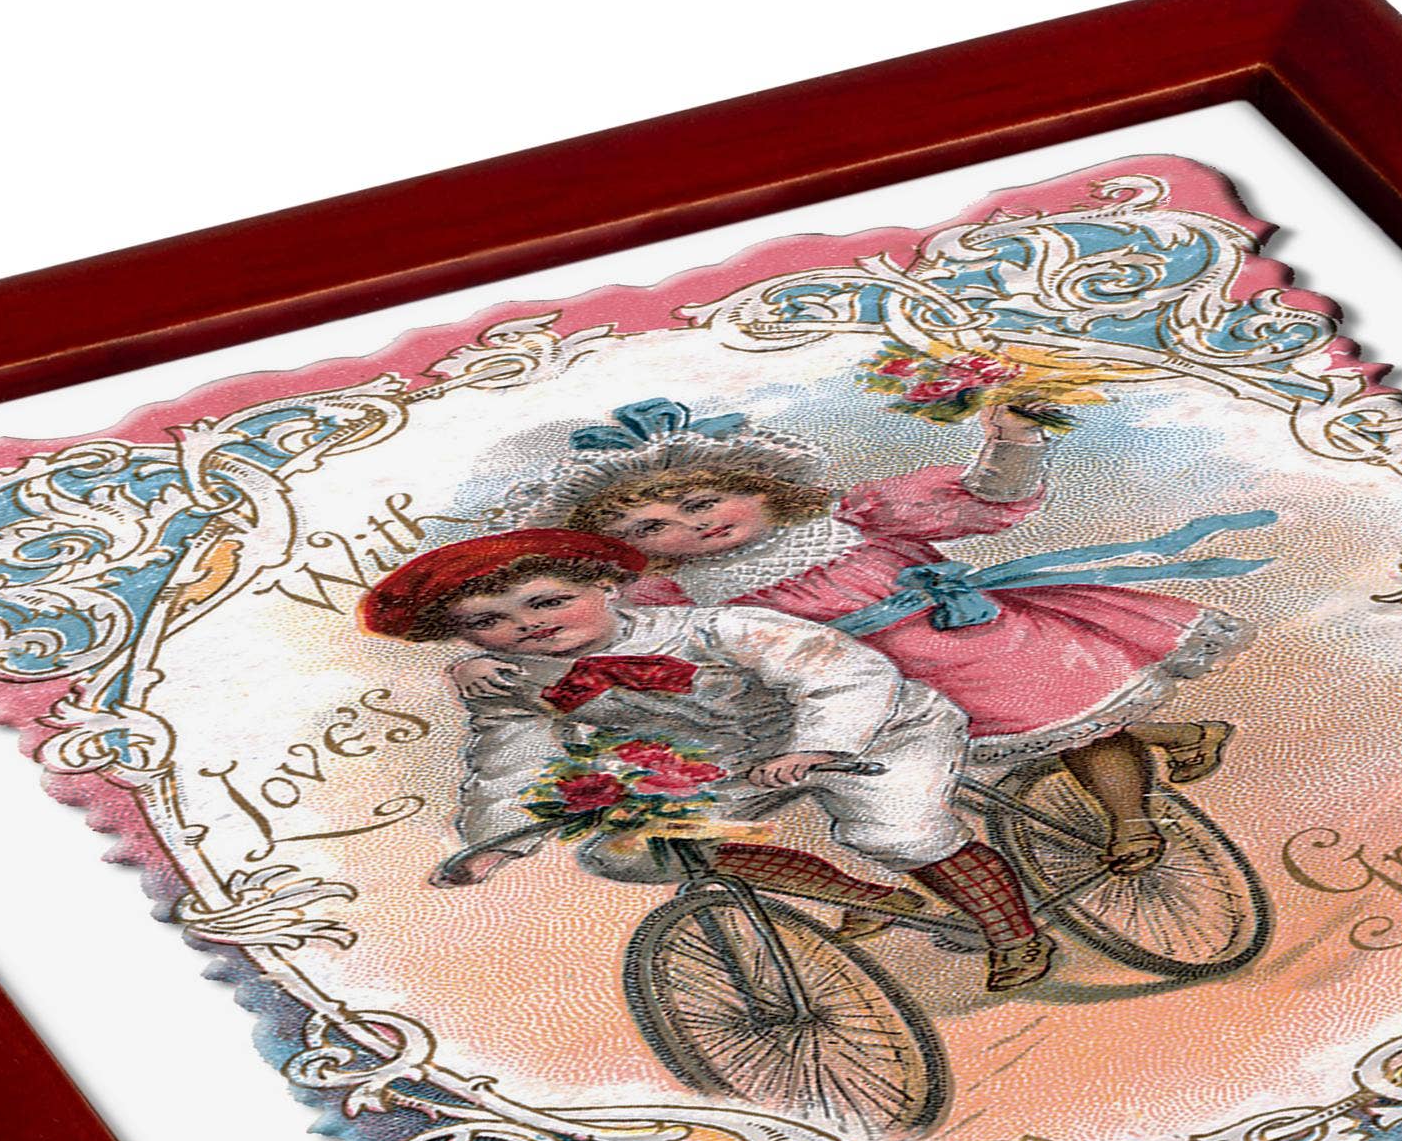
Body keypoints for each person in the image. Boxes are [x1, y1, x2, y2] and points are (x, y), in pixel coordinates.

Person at [544, 394, 1263, 873]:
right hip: (858, 687)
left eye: (704, 503)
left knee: (1068, 724)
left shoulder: (853, 518)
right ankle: (1179, 736)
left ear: (763, 486)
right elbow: (637, 636)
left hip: (969, 644)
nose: (692, 527)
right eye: (651, 528)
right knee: (922, 768)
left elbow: (984, 498)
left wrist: (1013, 440)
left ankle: (1130, 821)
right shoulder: (674, 590)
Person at [355, 531, 1061, 989]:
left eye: (549, 601)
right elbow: (510, 757)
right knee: (632, 848)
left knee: (894, 830)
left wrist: (816, 745)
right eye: (489, 622)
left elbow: (840, 673)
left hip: (872, 728)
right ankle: (875, 900)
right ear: (462, 638)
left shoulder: (714, 628)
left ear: (606, 588)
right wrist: (494, 845)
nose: (527, 625)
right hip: (724, 761)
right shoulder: (515, 681)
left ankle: (1013, 933)